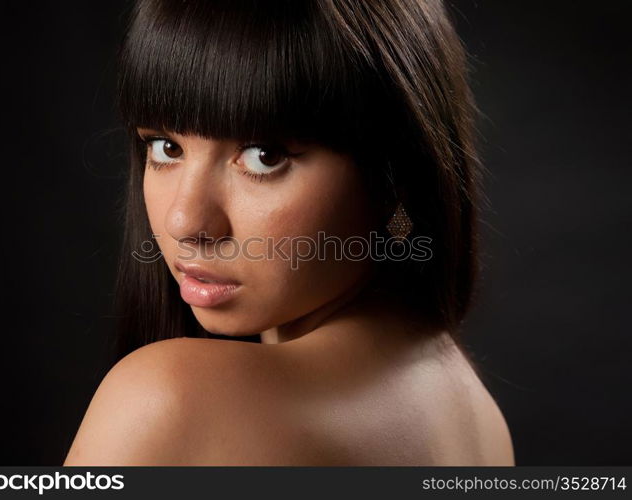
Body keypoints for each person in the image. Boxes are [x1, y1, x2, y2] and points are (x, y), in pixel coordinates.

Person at [64, 0, 515, 465]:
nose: (186, 222)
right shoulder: (477, 416)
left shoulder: (170, 398)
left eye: (264, 156)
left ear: (395, 175)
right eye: (166, 147)